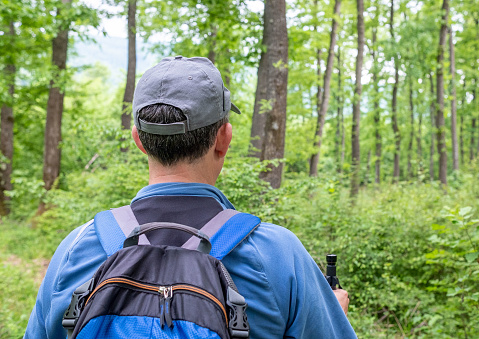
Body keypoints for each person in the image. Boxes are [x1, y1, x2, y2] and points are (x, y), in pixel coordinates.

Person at [24, 56, 356, 339]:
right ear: (224, 138)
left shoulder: (75, 249)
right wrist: (332, 311)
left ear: (138, 140)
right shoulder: (278, 256)